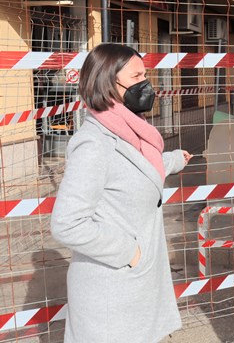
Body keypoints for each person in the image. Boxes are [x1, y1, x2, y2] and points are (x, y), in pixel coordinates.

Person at [51, 43, 192, 343]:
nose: (146, 83)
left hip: (133, 290)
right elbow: (66, 223)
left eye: (145, 74)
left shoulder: (128, 130)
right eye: (137, 75)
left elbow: (135, 170)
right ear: (107, 82)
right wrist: (130, 253)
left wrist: (174, 160)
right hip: (110, 294)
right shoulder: (94, 143)